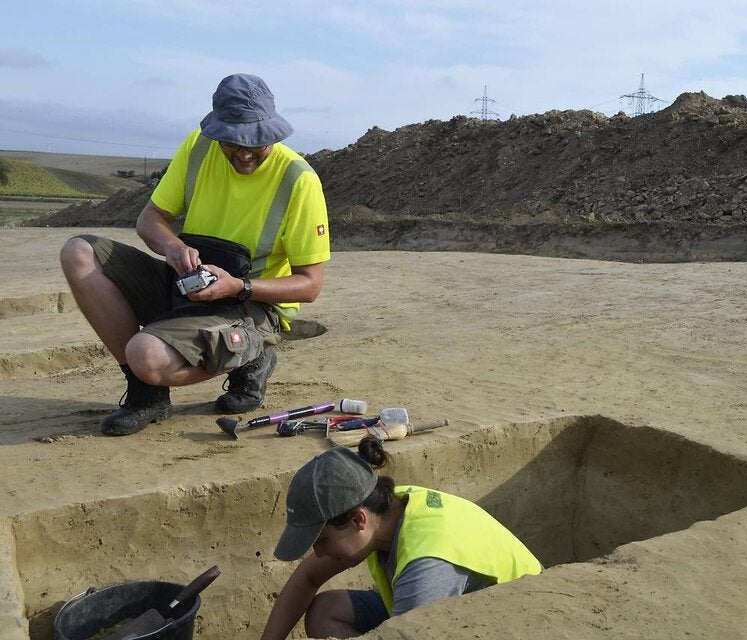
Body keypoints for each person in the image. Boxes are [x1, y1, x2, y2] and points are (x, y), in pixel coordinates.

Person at [59, 73, 329, 436]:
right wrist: (173, 247)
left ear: (273, 132)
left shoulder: (299, 180)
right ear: (217, 131)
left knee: (145, 354)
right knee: (78, 251)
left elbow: (310, 286)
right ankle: (147, 396)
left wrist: (238, 286)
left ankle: (253, 355)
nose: (244, 152)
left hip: (247, 306)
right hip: (186, 285)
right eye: (232, 142)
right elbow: (150, 220)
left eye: (257, 142)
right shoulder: (199, 147)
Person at [261, 439, 543, 639]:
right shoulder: (387, 507)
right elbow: (307, 577)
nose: (318, 552)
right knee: (326, 611)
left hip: (523, 623)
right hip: (448, 608)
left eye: (321, 540)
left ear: (358, 519)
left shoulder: (426, 566)